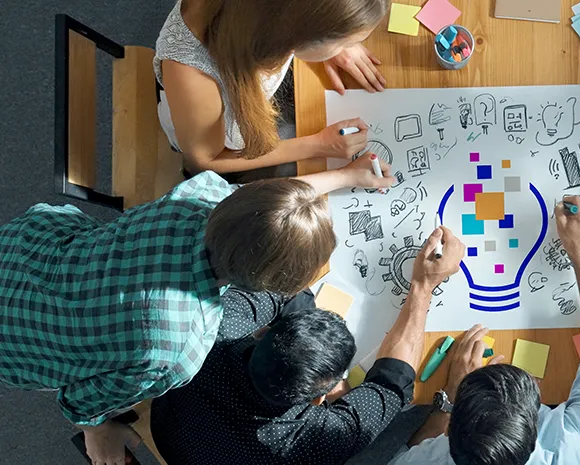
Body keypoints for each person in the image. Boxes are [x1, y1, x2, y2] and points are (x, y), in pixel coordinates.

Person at [0, 157, 393, 465]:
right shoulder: (178, 350)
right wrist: (97, 429)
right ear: (261, 285)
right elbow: (83, 396)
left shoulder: (199, 196)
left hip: (23, 249)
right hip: (18, 345)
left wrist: (345, 175)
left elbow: (265, 202)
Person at [149, 225, 467, 465]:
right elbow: (395, 381)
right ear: (323, 399)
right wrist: (424, 285)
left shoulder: (210, 331)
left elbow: (277, 289)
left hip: (169, 430)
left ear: (263, 333)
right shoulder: (316, 440)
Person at [388, 196, 580, 464]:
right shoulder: (578, 447)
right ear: (534, 427)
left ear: (448, 432)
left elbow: (404, 456)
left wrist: (449, 397)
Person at [156, 0, 389, 182]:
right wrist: (318, 145)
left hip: (253, 96)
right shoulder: (193, 73)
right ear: (302, 35)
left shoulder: (271, 19)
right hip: (220, 141)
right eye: (344, 42)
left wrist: (335, 42)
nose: (347, 48)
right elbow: (206, 159)